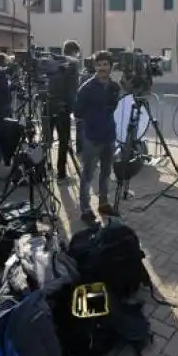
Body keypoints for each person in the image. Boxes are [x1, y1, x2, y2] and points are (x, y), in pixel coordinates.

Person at [74, 50, 120, 224]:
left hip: (109, 136)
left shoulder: (115, 87)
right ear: (94, 66)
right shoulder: (86, 89)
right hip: (92, 138)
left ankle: (103, 203)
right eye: (99, 64)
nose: (102, 67)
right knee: (87, 175)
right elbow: (77, 113)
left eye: (105, 64)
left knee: (106, 173)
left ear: (110, 66)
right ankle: (85, 209)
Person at [50, 39, 82, 184]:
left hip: (48, 104)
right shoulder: (73, 65)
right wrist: (74, 109)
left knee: (46, 139)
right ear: (75, 51)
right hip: (62, 108)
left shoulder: (52, 63)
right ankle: (61, 172)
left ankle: (45, 167)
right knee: (64, 140)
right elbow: (72, 90)